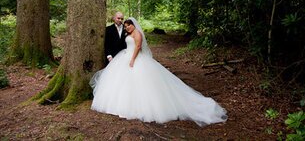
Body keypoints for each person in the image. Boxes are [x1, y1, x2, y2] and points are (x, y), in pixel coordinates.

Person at [90, 17, 227, 127]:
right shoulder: (129, 34)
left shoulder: (137, 34)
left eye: (128, 25)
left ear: (134, 25)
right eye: (125, 26)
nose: (127, 27)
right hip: (124, 57)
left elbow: (138, 47)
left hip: (135, 58)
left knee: (142, 82)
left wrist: (132, 59)